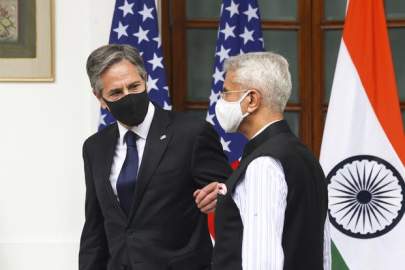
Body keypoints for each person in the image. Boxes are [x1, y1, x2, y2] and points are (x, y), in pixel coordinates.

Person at [79, 44, 231, 270]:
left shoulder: (191, 133)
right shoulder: (95, 147)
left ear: (145, 80)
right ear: (100, 98)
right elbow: (95, 226)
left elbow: (234, 193)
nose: (128, 96)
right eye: (116, 93)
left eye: (134, 86)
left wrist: (222, 193)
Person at [211, 52, 331, 270]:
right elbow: (323, 255)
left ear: (252, 99)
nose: (220, 101)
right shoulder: (306, 157)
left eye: (226, 92)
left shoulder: (263, 165)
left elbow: (262, 262)